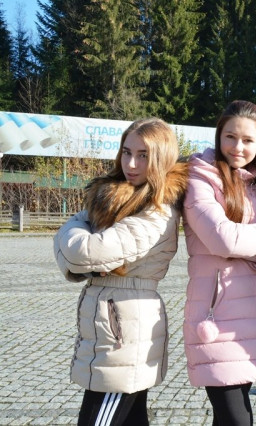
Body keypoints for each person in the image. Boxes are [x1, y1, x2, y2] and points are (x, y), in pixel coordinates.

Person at [53, 118, 189, 425]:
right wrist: (80, 253)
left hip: (124, 334)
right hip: (113, 329)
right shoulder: (115, 197)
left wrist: (73, 237)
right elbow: (79, 252)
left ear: (161, 158)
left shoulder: (158, 210)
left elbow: (82, 252)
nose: (131, 163)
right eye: (127, 152)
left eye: (143, 155)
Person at [182, 100, 256, 425]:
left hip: (253, 320)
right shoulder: (200, 178)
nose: (237, 147)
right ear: (219, 136)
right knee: (238, 419)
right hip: (215, 321)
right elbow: (224, 239)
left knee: (230, 418)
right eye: (230, 137)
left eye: (247, 140)